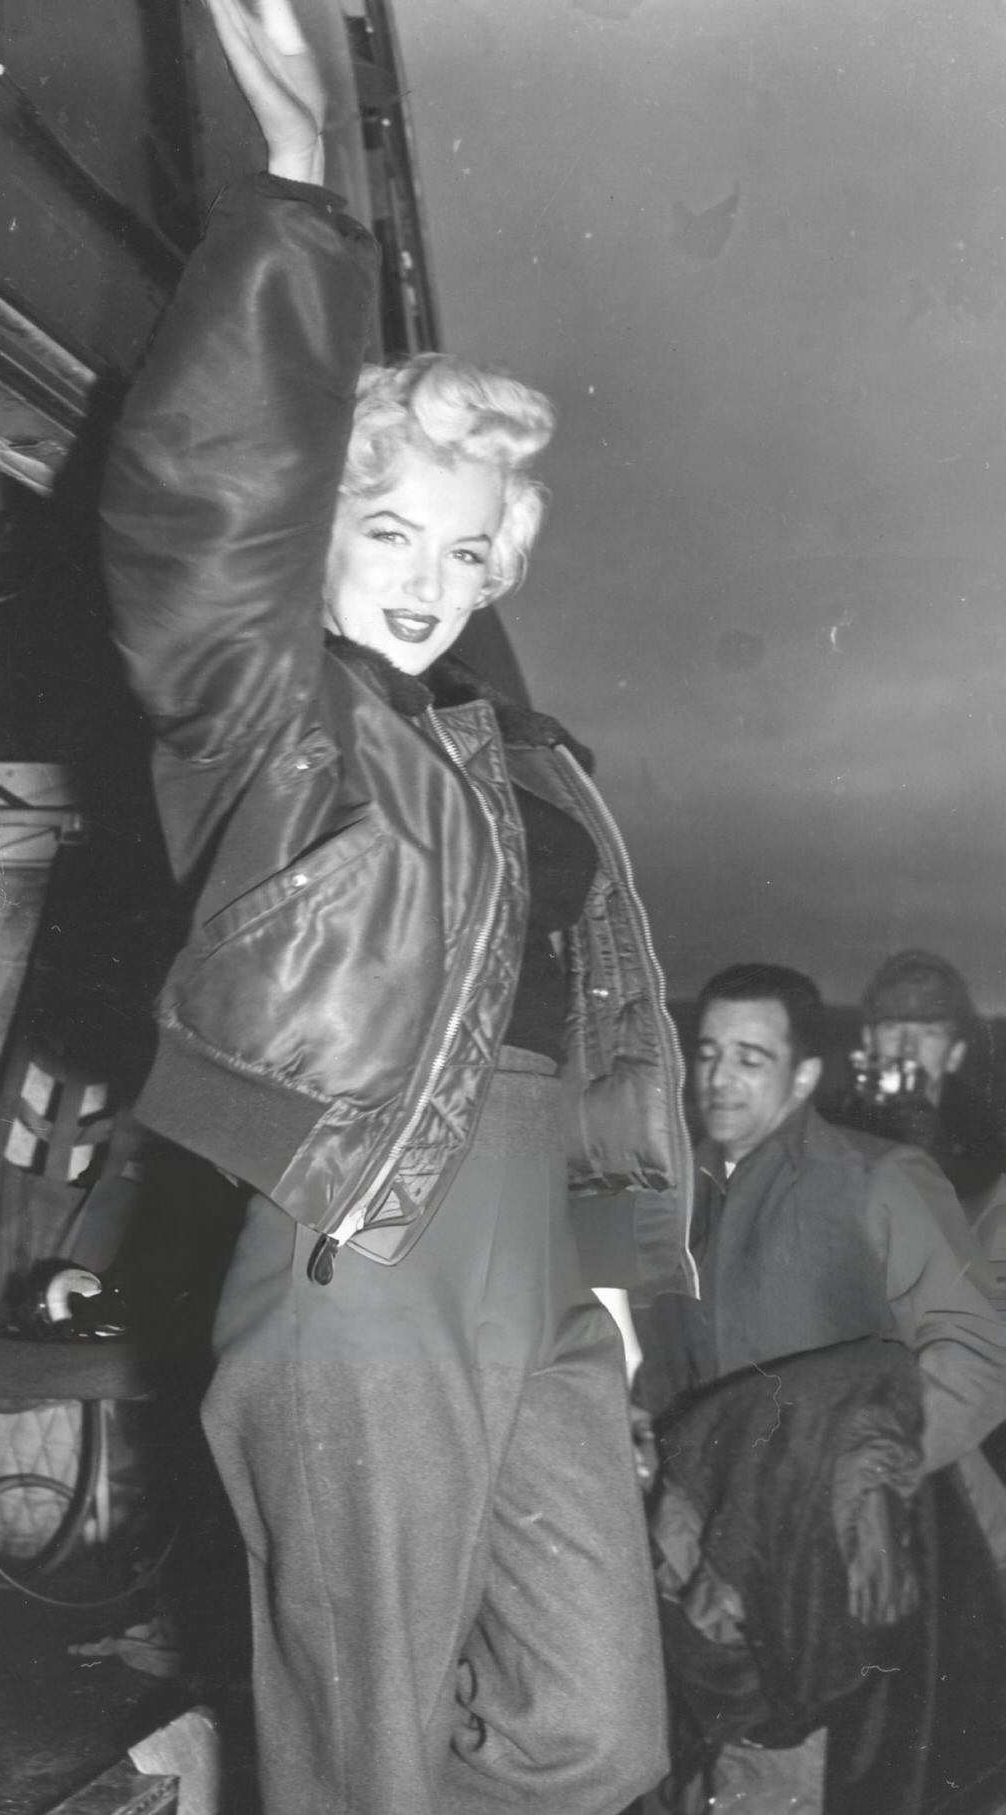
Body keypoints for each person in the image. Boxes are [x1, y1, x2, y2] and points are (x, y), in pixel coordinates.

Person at [98, 3, 696, 1809]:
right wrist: (298, 198)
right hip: (371, 1243)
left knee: (596, 1733)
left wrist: (617, 1278)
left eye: (467, 550)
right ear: (325, 531)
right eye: (390, 534)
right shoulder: (276, 715)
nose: (431, 583)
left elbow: (591, 1037)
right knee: (362, 1745)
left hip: (542, 1280)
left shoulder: (519, 759)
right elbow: (206, 504)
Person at [636, 962, 1006, 1812]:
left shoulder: (882, 1175)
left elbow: (977, 1359)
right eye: (708, 1053)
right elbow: (663, 1379)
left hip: (851, 1561)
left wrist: (848, 1488)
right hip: (703, 1558)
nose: (720, 1078)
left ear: (804, 1075)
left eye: (751, 1059)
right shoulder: (666, 1197)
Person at [826, 947, 1005, 1219]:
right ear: (868, 1041)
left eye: (930, 1034)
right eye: (893, 1029)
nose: (908, 1049)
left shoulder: (988, 1139)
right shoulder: (829, 1126)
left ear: (954, 1055)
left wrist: (938, 1154)